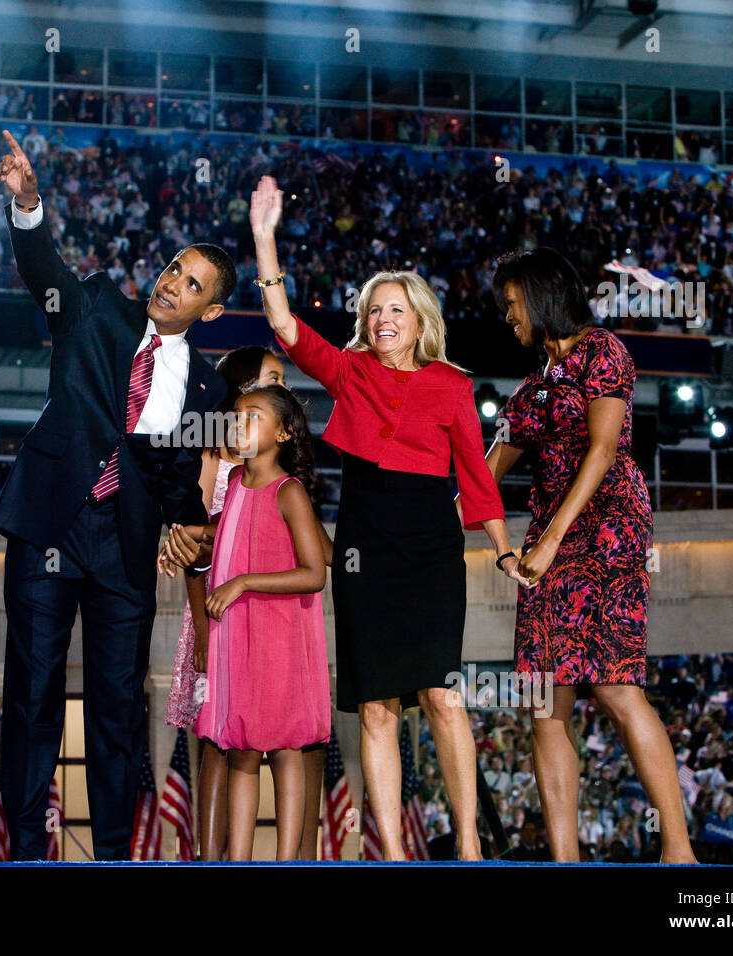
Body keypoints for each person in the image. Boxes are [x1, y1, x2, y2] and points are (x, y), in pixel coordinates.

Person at [246, 175, 532, 861]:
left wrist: (502, 549)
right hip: (364, 549)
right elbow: (285, 329)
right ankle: (396, 856)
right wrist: (264, 238)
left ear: (420, 318)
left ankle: (465, 844)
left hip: (431, 548)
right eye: (374, 311)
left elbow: (476, 476)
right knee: (376, 706)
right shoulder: (348, 370)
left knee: (442, 695)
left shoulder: (453, 385)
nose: (383, 320)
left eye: (395, 310)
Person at [0, 130, 230, 860]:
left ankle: (118, 854)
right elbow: (41, 268)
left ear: (210, 310)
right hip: (50, 526)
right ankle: (29, 850)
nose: (171, 282)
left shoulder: (210, 387)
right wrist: (29, 205)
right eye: (171, 268)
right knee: (32, 697)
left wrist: (194, 531)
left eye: (192, 283)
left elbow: (182, 483)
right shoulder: (95, 307)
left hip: (126, 550)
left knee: (118, 709)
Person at [485, 246, 696, 864]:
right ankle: (564, 859)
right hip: (546, 543)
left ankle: (678, 851)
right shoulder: (530, 390)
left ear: (544, 296)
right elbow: (480, 477)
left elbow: (603, 452)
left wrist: (550, 540)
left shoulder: (603, 351)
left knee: (614, 687)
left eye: (514, 304)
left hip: (606, 529)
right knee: (546, 700)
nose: (508, 316)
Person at [160, 345, 331, 860]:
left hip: (274, 628)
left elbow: (315, 569)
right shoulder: (231, 479)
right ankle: (232, 859)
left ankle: (288, 859)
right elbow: (222, 535)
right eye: (237, 415)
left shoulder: (290, 491)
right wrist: (185, 535)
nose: (239, 424)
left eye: (253, 417)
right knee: (235, 744)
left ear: (282, 432)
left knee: (284, 744)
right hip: (235, 631)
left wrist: (242, 583)